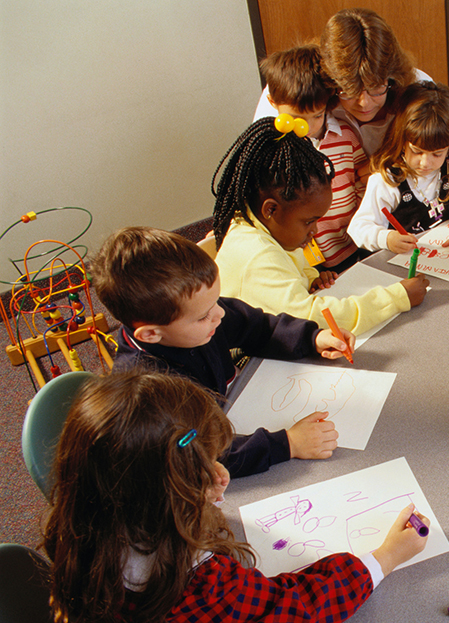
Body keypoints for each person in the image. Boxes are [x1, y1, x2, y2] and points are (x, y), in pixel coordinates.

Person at [42, 371, 428, 622]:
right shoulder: (204, 587)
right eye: (203, 471)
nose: (223, 476)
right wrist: (383, 558)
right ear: (163, 499)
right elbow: (298, 611)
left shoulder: (77, 527)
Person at [91, 226, 351, 478]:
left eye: (216, 301)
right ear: (151, 334)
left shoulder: (198, 313)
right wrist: (288, 444)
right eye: (205, 315)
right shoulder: (147, 395)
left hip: (231, 409)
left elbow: (257, 327)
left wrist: (312, 337)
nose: (220, 313)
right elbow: (199, 458)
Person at [211, 117, 429, 336]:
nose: (314, 231)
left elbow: (288, 272)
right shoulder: (256, 254)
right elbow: (313, 320)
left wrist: (309, 278)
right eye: (308, 222)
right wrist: (398, 297)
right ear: (270, 209)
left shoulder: (266, 225)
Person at [253, 8, 433, 156]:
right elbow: (259, 155)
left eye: (376, 88)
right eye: (350, 91)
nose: (364, 103)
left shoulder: (421, 89)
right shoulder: (292, 91)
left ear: (393, 77)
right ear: (331, 81)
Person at [255, 44, 369, 273]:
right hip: (302, 256)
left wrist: (364, 218)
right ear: (272, 102)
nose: (306, 127)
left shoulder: (345, 136)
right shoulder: (272, 150)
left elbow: (361, 179)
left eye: (317, 116)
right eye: (296, 117)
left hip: (348, 242)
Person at [348, 81, 449, 260]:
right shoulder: (388, 180)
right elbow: (359, 227)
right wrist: (386, 238)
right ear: (402, 141)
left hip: (446, 260)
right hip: (404, 266)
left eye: (437, 154)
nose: (425, 163)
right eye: (417, 151)